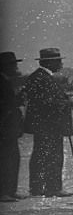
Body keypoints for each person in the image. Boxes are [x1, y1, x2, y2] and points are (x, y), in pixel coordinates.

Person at [20, 48, 73, 198]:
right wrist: (66, 103)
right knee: (49, 156)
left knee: (44, 155)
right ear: (49, 62)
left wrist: (64, 102)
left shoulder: (42, 77)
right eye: (59, 61)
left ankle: (41, 188)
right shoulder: (40, 78)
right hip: (48, 125)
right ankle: (51, 188)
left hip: (47, 125)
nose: (61, 63)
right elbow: (43, 102)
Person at [1, 52, 27, 202]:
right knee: (5, 160)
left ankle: (10, 190)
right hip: (4, 128)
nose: (16, 67)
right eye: (13, 64)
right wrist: (16, 101)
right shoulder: (2, 81)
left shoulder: (6, 81)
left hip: (9, 128)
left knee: (12, 158)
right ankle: (4, 192)